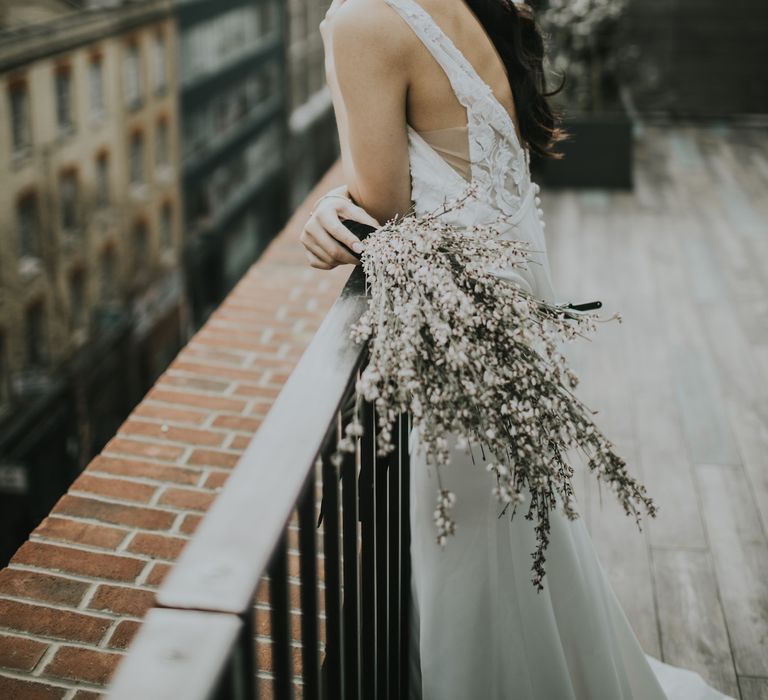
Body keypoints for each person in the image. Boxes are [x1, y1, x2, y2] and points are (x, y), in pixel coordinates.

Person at [301, 0, 736, 698]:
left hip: (465, 336)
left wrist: (328, 208)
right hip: (505, 313)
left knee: (475, 564)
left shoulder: (362, 19)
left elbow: (378, 205)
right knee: (510, 545)